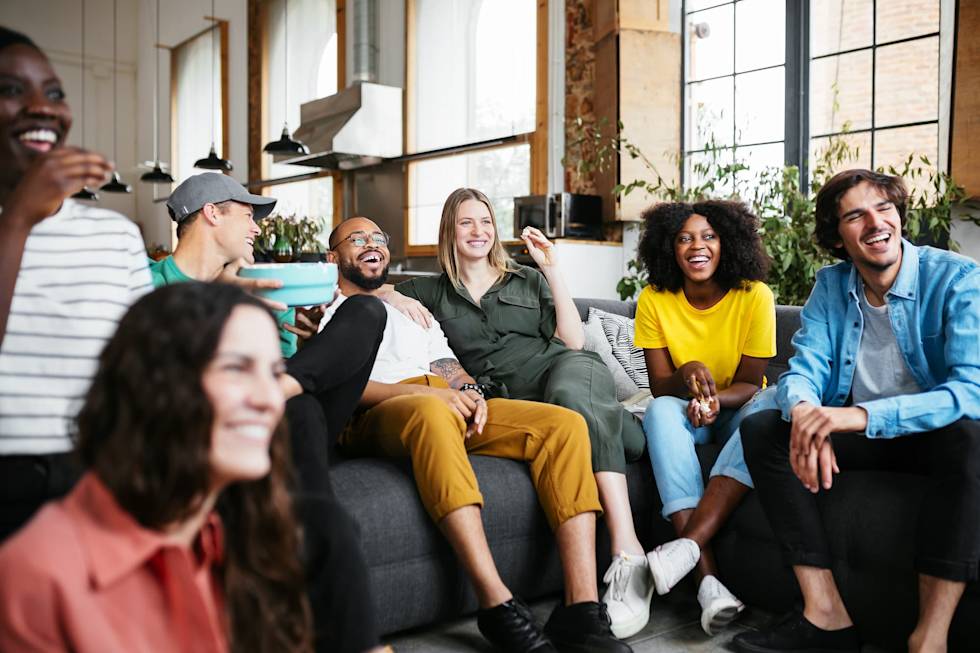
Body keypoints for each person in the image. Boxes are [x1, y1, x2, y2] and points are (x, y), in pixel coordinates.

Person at [326, 216, 632, 653]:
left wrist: (470, 392)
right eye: (357, 239)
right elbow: (332, 382)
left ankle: (580, 611)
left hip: (440, 401)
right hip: (377, 408)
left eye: (379, 236)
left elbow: (447, 366)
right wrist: (424, 393)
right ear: (332, 257)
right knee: (432, 411)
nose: (371, 244)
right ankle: (497, 602)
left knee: (563, 426)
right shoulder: (321, 304)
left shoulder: (412, 310)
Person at [734, 169, 980, 653]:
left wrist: (858, 418)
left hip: (931, 434)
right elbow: (802, 369)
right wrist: (806, 411)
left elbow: (971, 391)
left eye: (883, 208)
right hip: (866, 436)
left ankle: (930, 638)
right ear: (838, 236)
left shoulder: (958, 278)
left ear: (898, 217)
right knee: (764, 429)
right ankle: (825, 614)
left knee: (973, 438)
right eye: (855, 215)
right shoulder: (831, 287)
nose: (875, 222)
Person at [393, 188, 652, 638]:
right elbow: (354, 285)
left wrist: (552, 269)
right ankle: (624, 425)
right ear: (449, 233)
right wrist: (392, 297)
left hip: (563, 370)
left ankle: (628, 548)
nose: (478, 231)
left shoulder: (526, 279)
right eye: (466, 222)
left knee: (574, 401)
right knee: (602, 430)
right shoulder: (427, 291)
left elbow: (572, 341)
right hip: (510, 400)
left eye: (486, 222)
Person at [0, 282, 311, 652]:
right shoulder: (38, 573)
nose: (269, 399)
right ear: (156, 385)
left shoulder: (250, 541)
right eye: (236, 369)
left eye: (274, 373)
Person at [155, 173, 388, 653]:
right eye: (247, 215)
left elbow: (293, 361)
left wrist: (284, 327)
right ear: (212, 213)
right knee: (300, 411)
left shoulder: (265, 287)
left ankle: (272, 391)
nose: (258, 229)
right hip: (226, 423)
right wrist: (225, 300)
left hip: (283, 407)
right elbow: (149, 370)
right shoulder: (148, 280)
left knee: (367, 313)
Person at [0, 26, 153, 542]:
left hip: (98, 479)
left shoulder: (115, 234)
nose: (42, 107)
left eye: (55, 92)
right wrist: (17, 219)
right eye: (11, 90)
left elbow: (145, 368)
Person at [633, 200, 777, 635]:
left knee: (770, 409)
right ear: (669, 249)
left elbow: (753, 382)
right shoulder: (654, 299)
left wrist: (716, 402)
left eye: (709, 236)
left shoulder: (754, 295)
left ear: (727, 243)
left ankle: (688, 553)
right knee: (658, 411)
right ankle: (709, 582)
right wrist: (687, 374)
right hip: (684, 405)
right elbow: (660, 386)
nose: (698, 247)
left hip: (737, 406)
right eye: (684, 238)